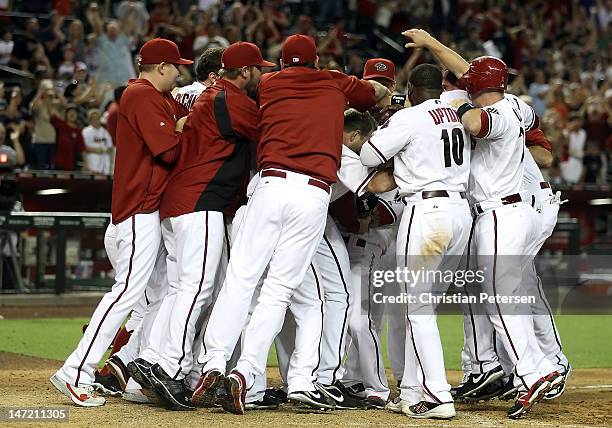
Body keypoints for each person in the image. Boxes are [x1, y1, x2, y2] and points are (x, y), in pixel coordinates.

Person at [191, 34, 389, 414]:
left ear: (282, 63)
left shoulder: (267, 84)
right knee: (279, 290)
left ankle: (214, 362)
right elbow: (376, 94)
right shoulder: (334, 81)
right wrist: (362, 86)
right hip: (313, 194)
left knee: (242, 279)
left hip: (269, 186)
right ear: (314, 62)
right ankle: (246, 370)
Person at [401, 29, 562, 419]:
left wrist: (446, 108)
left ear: (476, 86)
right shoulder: (519, 107)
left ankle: (536, 369)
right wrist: (439, 49)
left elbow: (474, 122)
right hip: (518, 211)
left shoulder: (496, 116)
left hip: (499, 216)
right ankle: (531, 370)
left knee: (497, 299)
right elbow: (480, 83)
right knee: (505, 295)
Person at [50, 38, 192, 407]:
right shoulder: (141, 95)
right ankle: (76, 370)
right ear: (160, 67)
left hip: (144, 214)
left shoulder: (155, 96)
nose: (180, 72)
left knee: (148, 298)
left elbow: (183, 113)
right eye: (176, 66)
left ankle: (128, 373)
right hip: (137, 214)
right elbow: (169, 150)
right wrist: (179, 128)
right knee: (126, 295)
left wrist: (183, 116)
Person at [131, 41, 272, 411]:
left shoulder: (212, 95)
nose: (262, 75)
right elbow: (270, 130)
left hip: (178, 203)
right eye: (258, 69)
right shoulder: (231, 100)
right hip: (200, 203)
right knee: (198, 288)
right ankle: (167, 365)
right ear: (244, 72)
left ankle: (151, 358)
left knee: (181, 289)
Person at [361, 64, 472, 419]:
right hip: (460, 214)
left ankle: (439, 395)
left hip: (427, 211)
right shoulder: (455, 114)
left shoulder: (410, 117)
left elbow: (368, 155)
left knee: (416, 309)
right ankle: (412, 390)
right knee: (422, 308)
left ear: (410, 88)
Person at [50, 105, 87, 171]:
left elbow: (82, 148)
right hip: (58, 162)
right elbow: (51, 112)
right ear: (66, 114)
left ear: (77, 115)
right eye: (70, 112)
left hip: (70, 164)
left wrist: (86, 164)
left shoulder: (78, 131)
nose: (72, 114)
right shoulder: (61, 124)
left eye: (74, 113)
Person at [82, 108, 113, 174]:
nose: (95, 121)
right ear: (90, 120)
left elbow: (110, 147)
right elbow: (83, 147)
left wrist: (105, 150)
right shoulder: (86, 131)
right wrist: (96, 150)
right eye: (93, 119)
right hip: (92, 162)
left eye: (97, 118)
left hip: (104, 164)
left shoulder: (105, 132)